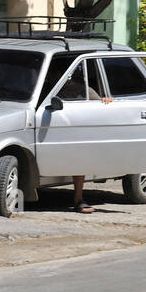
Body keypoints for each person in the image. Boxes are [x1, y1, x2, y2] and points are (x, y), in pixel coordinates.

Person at [55, 67, 114, 213]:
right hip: (56, 130)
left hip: (74, 132)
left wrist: (106, 102)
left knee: (80, 157)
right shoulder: (48, 87)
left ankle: (78, 198)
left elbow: (102, 105)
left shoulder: (84, 90)